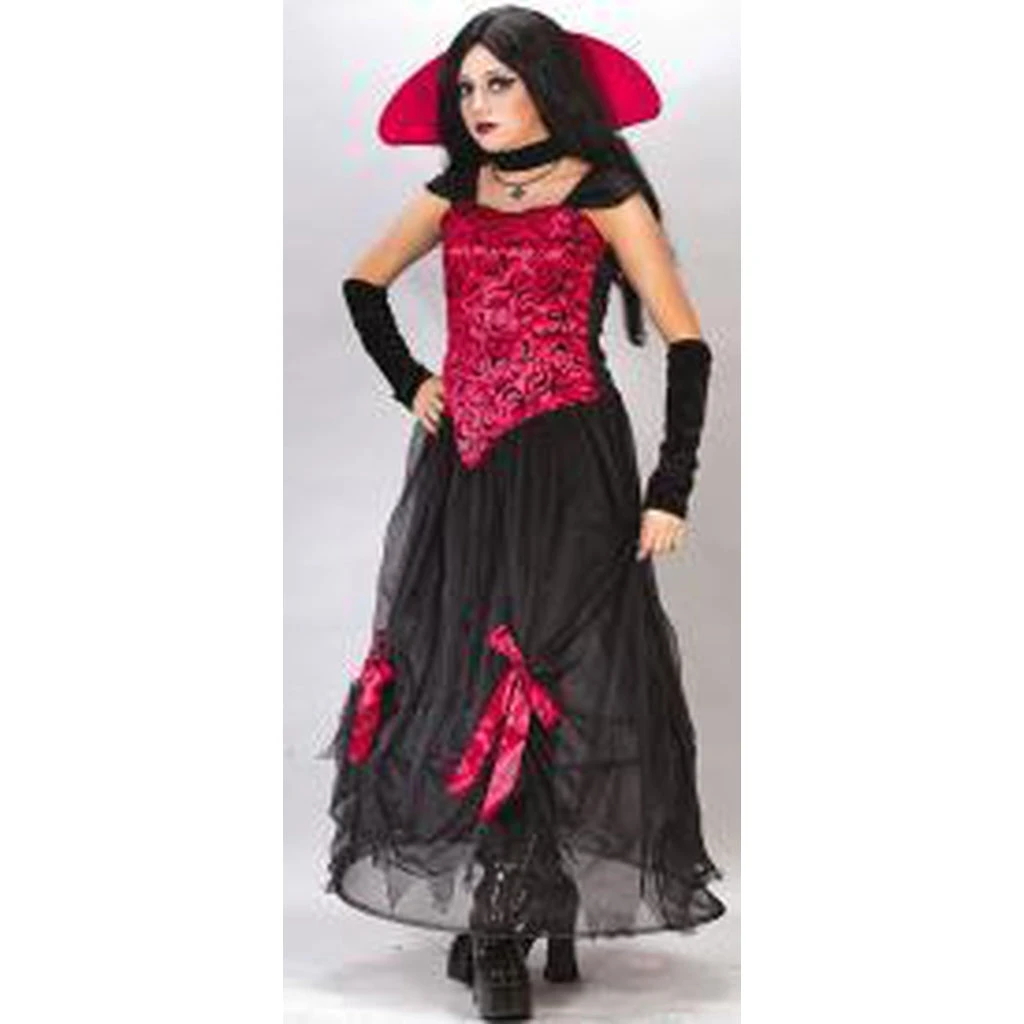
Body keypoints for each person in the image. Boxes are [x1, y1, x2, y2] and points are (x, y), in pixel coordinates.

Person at [321, 6, 726, 1019]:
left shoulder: (604, 191)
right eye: (465, 88)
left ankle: (511, 910)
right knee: (466, 672)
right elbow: (363, 284)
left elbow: (686, 343)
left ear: (546, 82)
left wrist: (670, 486)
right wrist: (413, 381)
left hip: (569, 462)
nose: (478, 103)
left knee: (544, 672)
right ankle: (502, 909)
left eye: (498, 81)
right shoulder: (452, 192)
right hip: (466, 464)